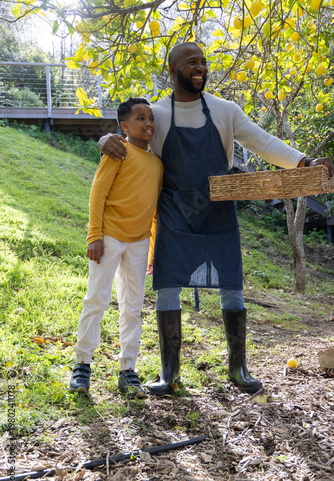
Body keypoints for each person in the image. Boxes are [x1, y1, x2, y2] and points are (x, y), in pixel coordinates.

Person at [98, 42, 334, 397]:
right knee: (168, 285)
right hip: (176, 210)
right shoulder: (158, 113)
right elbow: (131, 142)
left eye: (204, 62)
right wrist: (106, 139)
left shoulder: (225, 110)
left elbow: (262, 141)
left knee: (231, 284)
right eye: (191, 62)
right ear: (172, 68)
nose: (200, 68)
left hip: (219, 210)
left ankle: (238, 368)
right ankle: (169, 373)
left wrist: (304, 162)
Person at [69, 98, 163, 398]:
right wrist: (93, 235)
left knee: (133, 307)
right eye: (140, 118)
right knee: (96, 299)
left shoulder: (157, 163)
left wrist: (151, 249)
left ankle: (128, 370)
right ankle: (82, 365)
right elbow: (98, 194)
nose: (148, 123)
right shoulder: (117, 151)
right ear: (124, 126)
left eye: (150, 118)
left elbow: (154, 209)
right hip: (108, 238)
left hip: (138, 243)